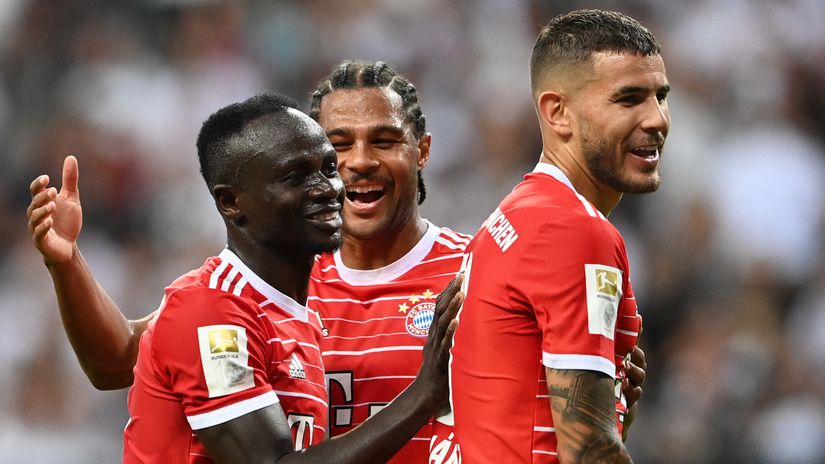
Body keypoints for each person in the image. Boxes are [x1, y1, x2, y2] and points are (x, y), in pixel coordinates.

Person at [27, 60, 645, 462]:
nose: (356, 163)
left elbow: (555, 419)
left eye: (384, 140)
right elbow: (120, 361)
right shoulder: (265, 288)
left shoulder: (478, 272)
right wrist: (67, 262)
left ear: (422, 151)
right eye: (336, 146)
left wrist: (606, 405)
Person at [27, 92, 464, 463]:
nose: (329, 189)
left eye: (328, 168)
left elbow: (121, 358)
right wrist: (423, 395)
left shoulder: (288, 311)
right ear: (231, 202)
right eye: (295, 177)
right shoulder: (212, 312)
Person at [433, 9, 669, 463]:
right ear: (558, 113)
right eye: (628, 99)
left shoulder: (518, 212)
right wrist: (603, 429)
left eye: (660, 96)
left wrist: (615, 410)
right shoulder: (573, 230)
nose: (656, 119)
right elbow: (588, 449)